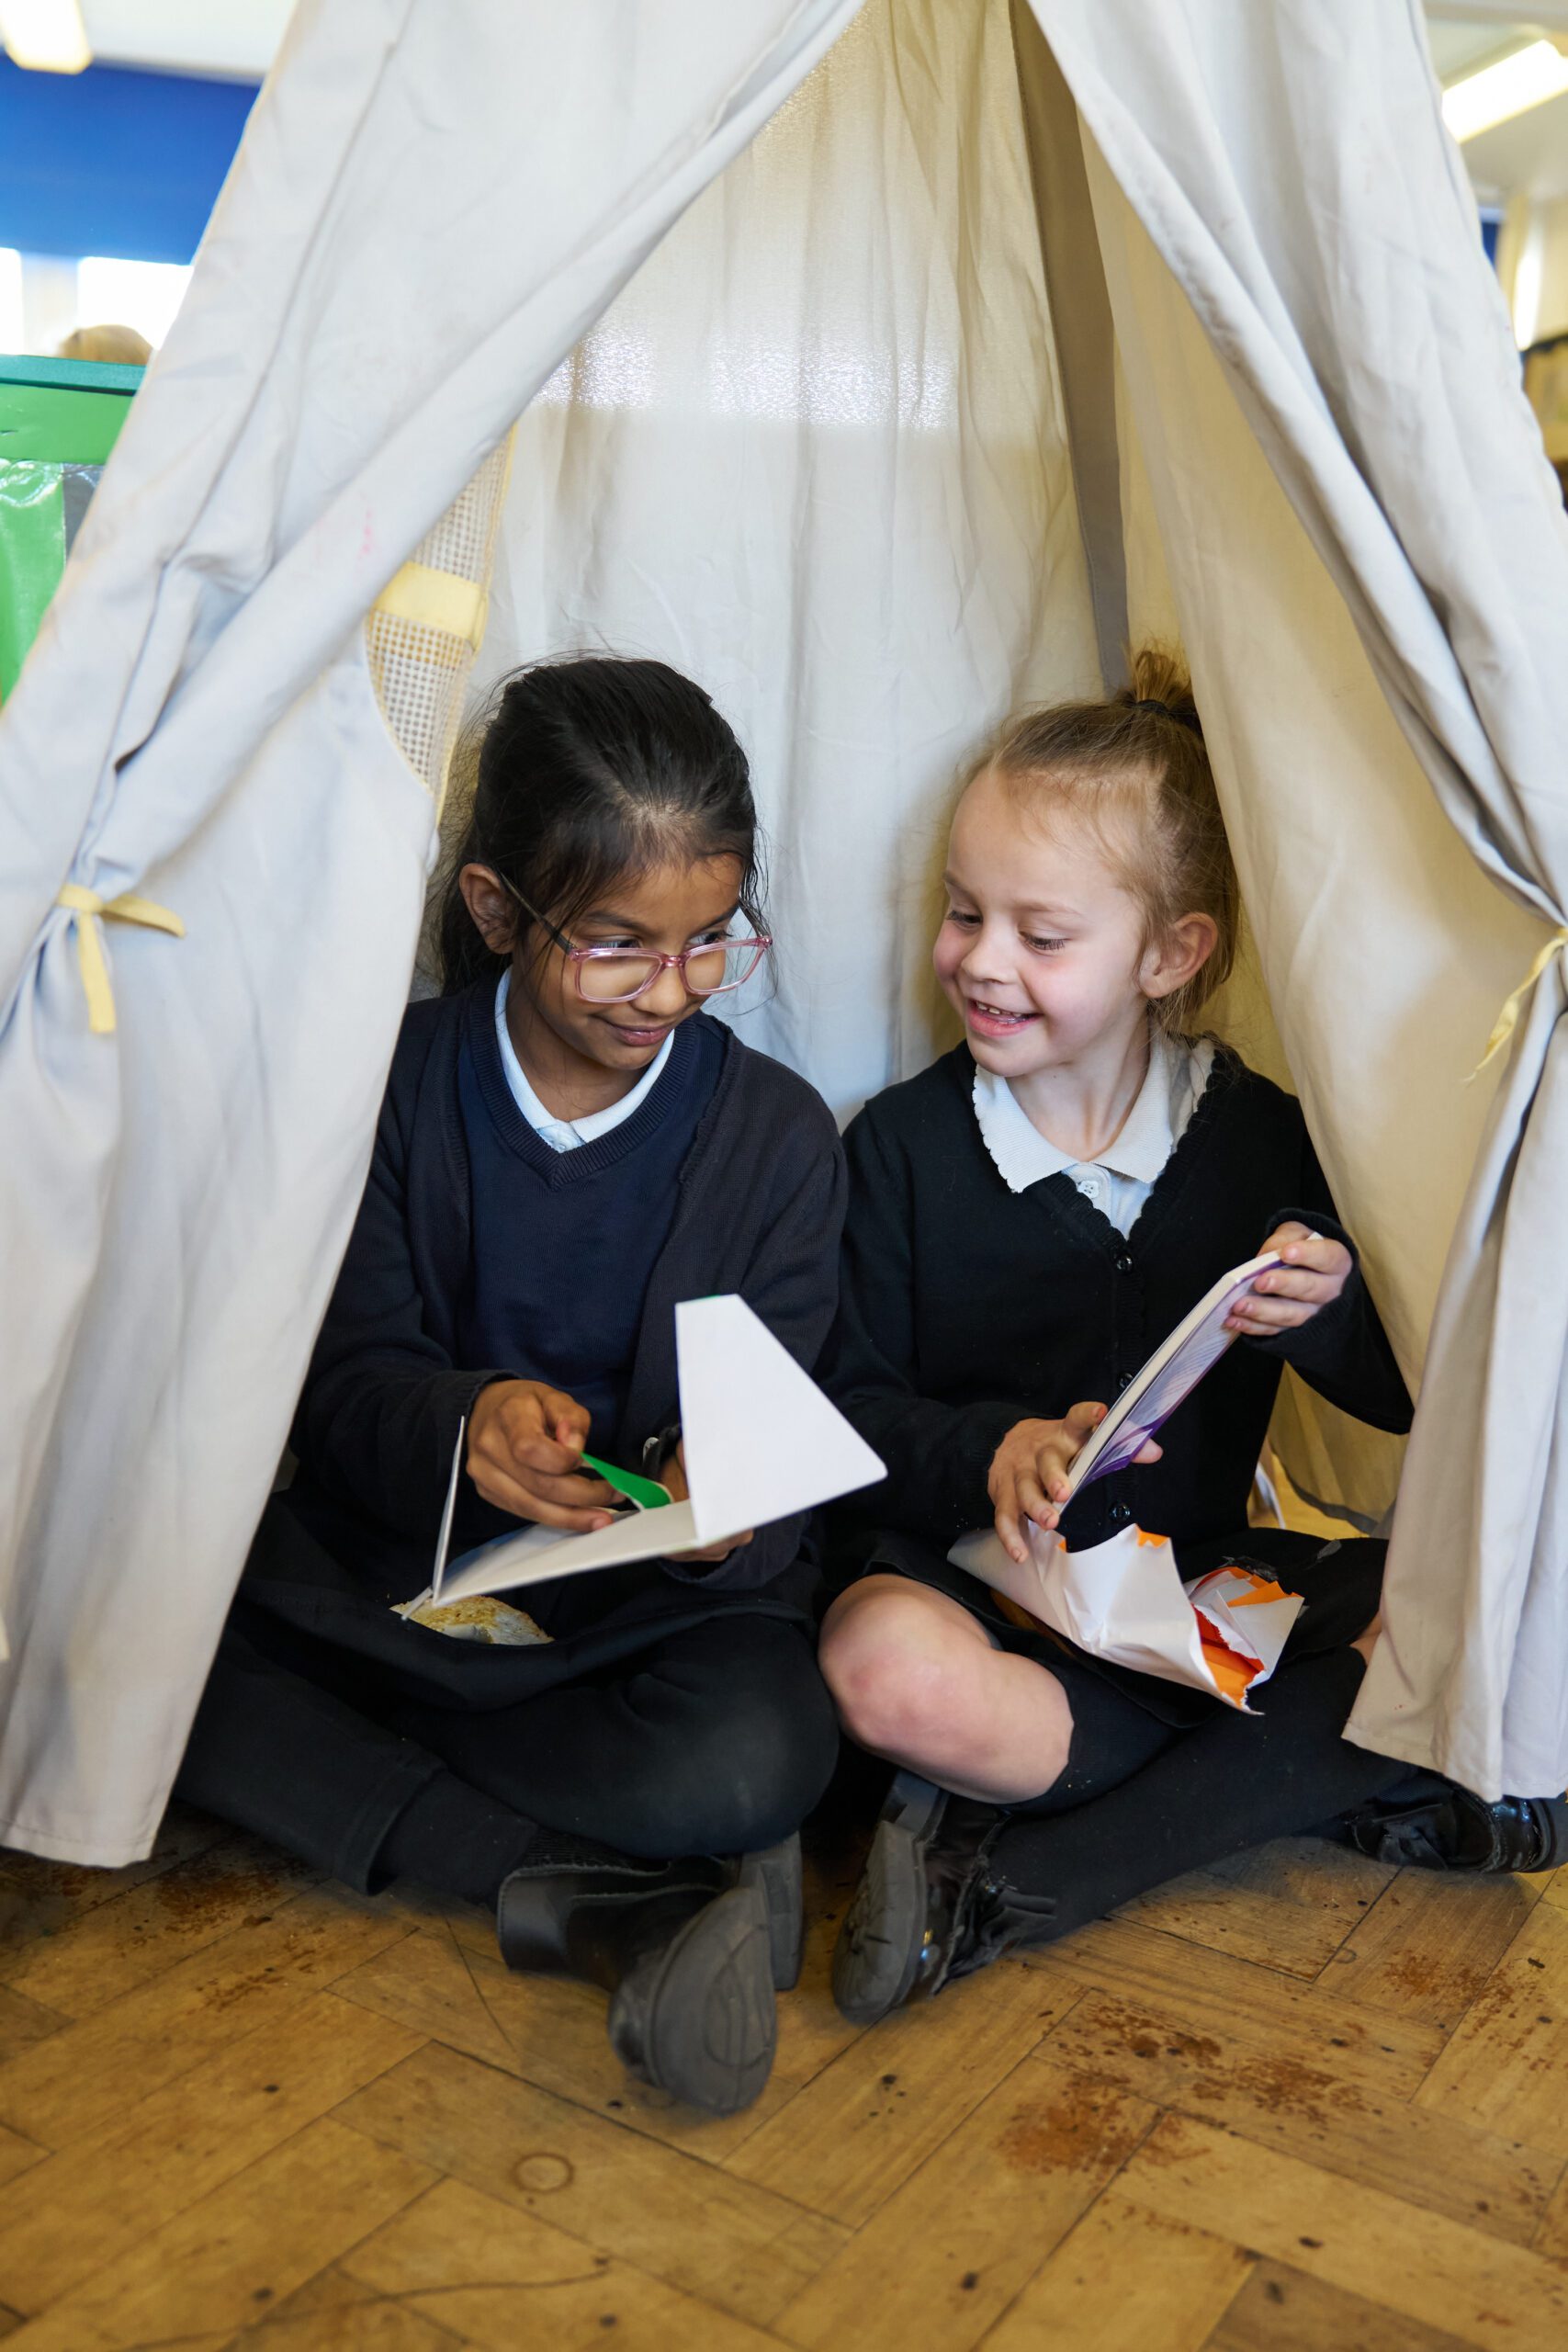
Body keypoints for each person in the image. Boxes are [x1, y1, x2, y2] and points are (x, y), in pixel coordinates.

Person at [819, 648, 1565, 2025]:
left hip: (1193, 1595)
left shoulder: (1261, 1135)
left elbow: (1407, 1403)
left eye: (1040, 937)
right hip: (975, 1585)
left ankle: (1029, 1871)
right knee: (879, 1672)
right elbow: (850, 1406)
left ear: (1173, 954)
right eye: (962, 913)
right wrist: (993, 1452)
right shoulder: (907, 1150)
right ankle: (1299, 1782)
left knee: (1504, 1606)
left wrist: (1333, 1309)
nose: (981, 962)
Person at [177, 656, 844, 2115]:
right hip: (403, 1579)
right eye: (616, 946)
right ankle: (597, 1900)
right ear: (496, 910)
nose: (667, 989)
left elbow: (786, 1442)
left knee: (764, 1746)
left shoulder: (776, 1138)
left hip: (640, 1624)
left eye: (710, 941)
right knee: (143, 1648)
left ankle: (436, 1813)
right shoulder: (391, 1087)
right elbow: (341, 1381)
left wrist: (721, 1506)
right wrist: (461, 1425)